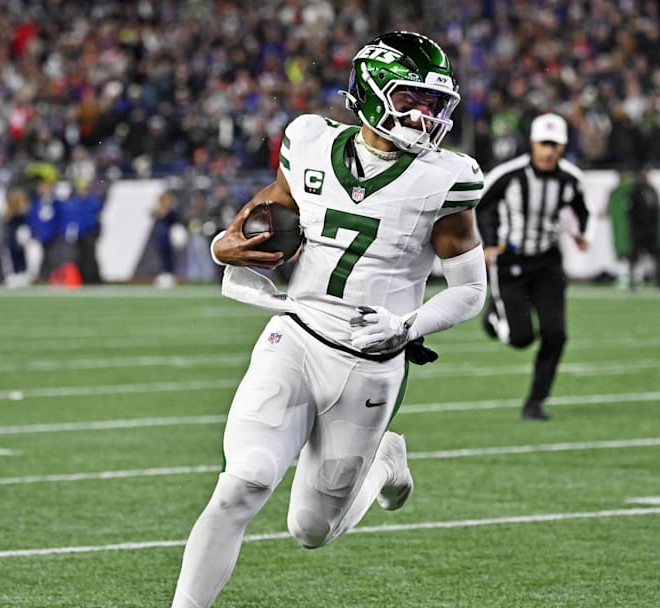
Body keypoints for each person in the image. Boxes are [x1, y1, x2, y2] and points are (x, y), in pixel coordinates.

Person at [172, 32, 486, 608]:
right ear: (369, 93)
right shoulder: (310, 141)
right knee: (244, 481)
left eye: (434, 104)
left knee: (310, 530)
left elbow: (470, 291)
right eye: (411, 99)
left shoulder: (445, 179)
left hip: (371, 363)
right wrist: (223, 245)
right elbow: (263, 216)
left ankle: (385, 458)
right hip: (294, 336)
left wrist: (408, 326)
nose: (426, 117)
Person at [476, 112, 590, 421]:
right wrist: (487, 243)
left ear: (563, 147)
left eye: (555, 145)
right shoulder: (509, 174)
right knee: (521, 338)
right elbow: (481, 205)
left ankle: (535, 402)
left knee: (556, 333)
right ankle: (493, 320)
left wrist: (580, 235)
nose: (549, 151)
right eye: (544, 144)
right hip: (511, 260)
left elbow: (581, 209)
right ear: (532, 144)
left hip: (548, 263)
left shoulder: (570, 178)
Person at [624, 166, 660, 290]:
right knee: (635, 257)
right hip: (638, 230)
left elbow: (655, 211)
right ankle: (634, 281)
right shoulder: (633, 192)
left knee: (657, 255)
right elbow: (630, 213)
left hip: (651, 230)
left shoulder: (652, 190)